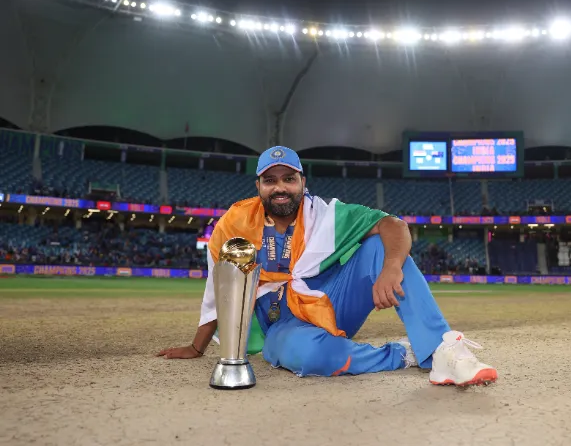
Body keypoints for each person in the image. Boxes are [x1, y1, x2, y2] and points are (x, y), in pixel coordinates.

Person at [158, 146, 497, 387]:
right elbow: (222, 287)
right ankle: (404, 355)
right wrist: (197, 346)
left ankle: (442, 349)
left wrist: (392, 266)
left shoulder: (327, 215)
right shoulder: (234, 222)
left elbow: (393, 224)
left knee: (380, 244)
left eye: (289, 178)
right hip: (284, 323)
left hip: (332, 302)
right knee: (305, 357)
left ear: (302, 182)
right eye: (270, 180)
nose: (280, 187)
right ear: (258, 186)